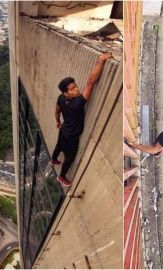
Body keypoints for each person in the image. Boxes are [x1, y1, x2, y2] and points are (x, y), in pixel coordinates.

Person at [50, 52, 113, 186]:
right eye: (73, 89)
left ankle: (54, 160)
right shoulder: (78, 103)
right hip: (71, 135)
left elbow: (57, 111)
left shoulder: (61, 98)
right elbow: (91, 82)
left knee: (58, 146)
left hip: (63, 130)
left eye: (76, 86)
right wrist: (101, 60)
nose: (77, 90)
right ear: (65, 92)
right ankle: (61, 176)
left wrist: (58, 122)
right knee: (69, 157)